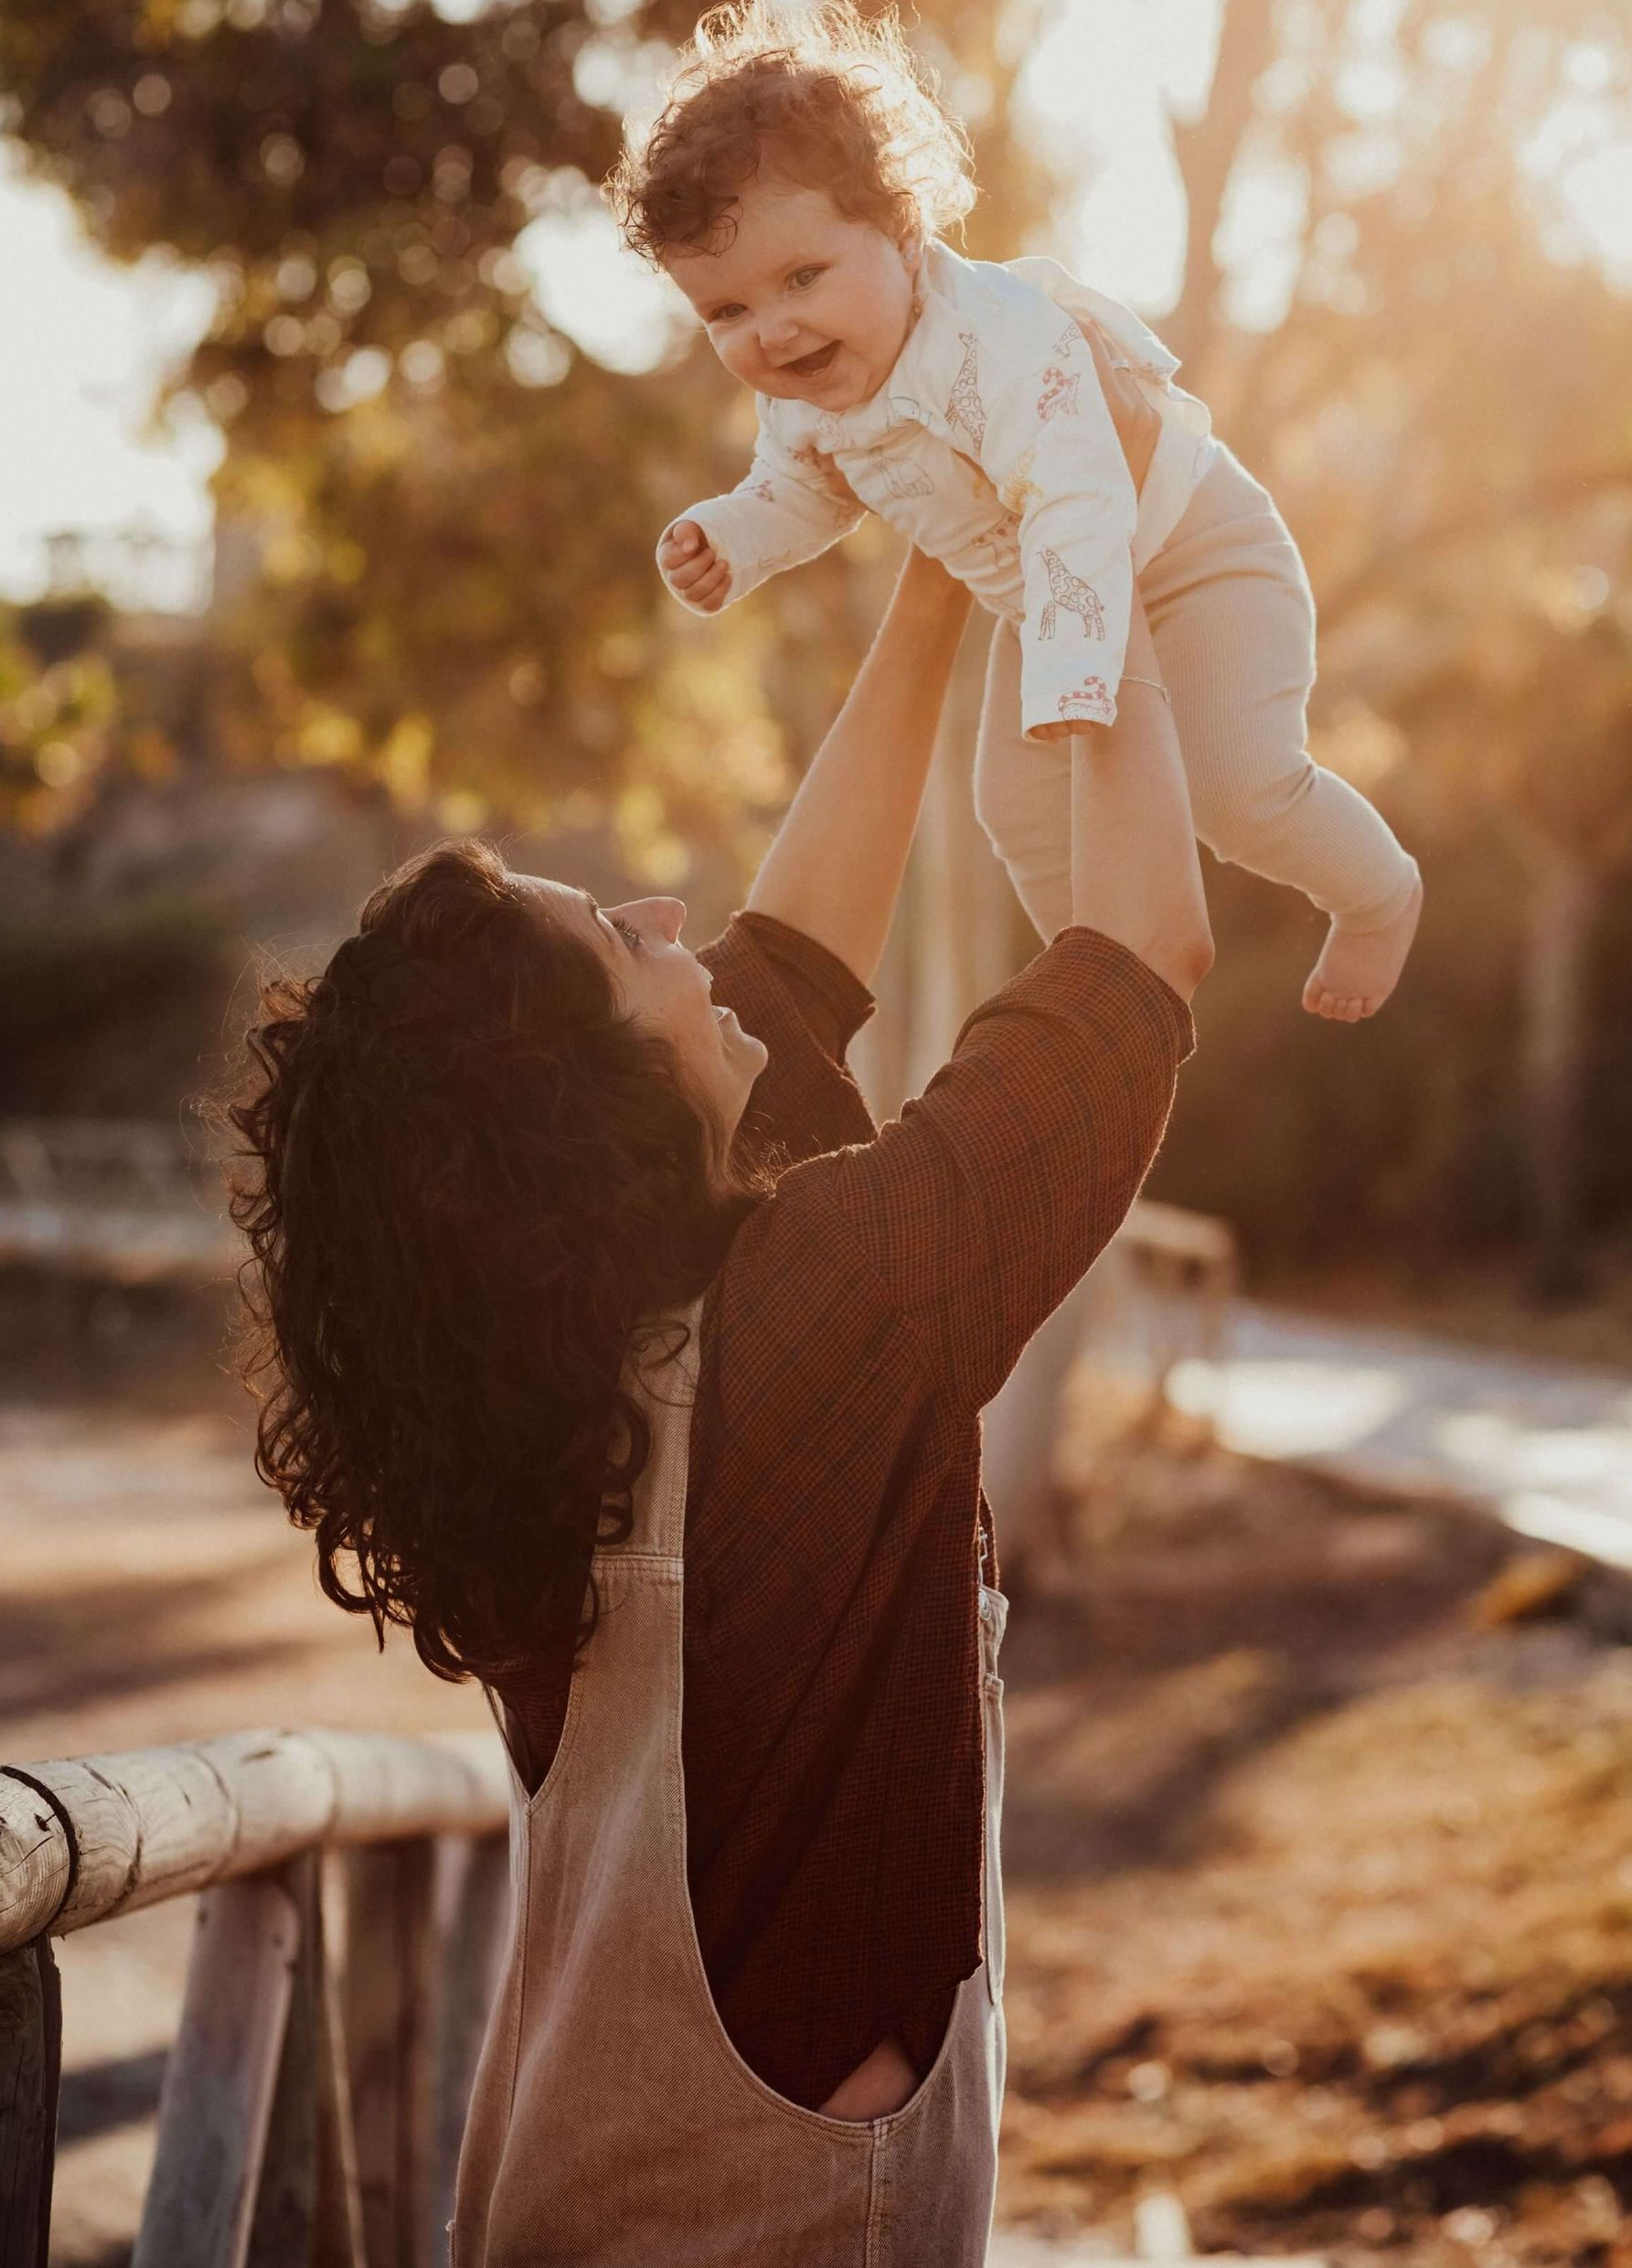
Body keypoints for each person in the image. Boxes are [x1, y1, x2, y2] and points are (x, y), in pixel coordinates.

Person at [230, 548, 1211, 2267]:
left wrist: (932, 588)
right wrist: (1077, 547)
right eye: (622, 936)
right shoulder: (819, 1313)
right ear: (591, 1107)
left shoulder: (547, 1406)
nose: (677, 921)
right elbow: (1144, 958)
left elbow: (789, 968)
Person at [607, 0, 1423, 1024]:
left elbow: (1077, 494)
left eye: (803, 275)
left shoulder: (999, 344)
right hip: (1052, 610)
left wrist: (1080, 668)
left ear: (902, 232)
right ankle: (1093, 1005)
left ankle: (1379, 892)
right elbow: (798, 493)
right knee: (1020, 809)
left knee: (1236, 783)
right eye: (729, 310)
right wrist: (727, 537)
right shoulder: (805, 399)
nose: (773, 331)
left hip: (1195, 553)